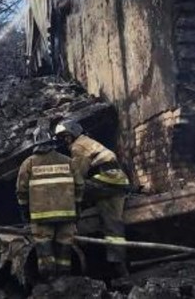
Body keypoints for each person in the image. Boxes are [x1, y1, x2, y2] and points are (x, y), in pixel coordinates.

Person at [55, 119, 130, 277]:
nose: (65, 141)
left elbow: (78, 175)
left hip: (106, 182)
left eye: (66, 136)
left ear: (74, 132)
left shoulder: (78, 147)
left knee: (72, 190)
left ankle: (69, 224)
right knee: (112, 222)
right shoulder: (87, 141)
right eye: (63, 138)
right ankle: (118, 265)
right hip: (116, 182)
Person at [17, 126, 84, 280]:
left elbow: (21, 191)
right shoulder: (68, 162)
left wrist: (25, 210)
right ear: (52, 142)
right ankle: (65, 279)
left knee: (44, 248)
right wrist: (77, 206)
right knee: (64, 247)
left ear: (35, 144)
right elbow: (80, 186)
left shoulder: (28, 164)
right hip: (67, 215)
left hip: (41, 217)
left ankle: (49, 280)